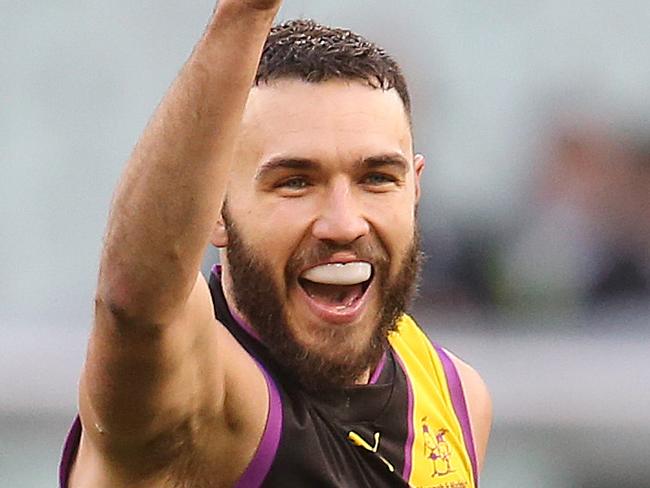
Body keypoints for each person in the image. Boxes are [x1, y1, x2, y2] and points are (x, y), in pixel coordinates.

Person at [59, 1, 492, 486]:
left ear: (415, 189)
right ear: (215, 212)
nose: (343, 224)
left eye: (376, 177)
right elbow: (135, 305)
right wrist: (245, 14)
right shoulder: (197, 401)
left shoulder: (456, 397)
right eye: (295, 182)